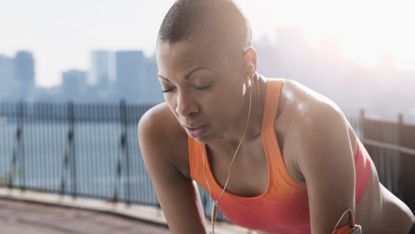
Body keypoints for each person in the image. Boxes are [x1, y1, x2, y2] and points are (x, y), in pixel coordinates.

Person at [138, 0, 415, 233]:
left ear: (248, 65)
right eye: (168, 87)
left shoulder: (312, 124)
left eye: (202, 83)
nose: (183, 107)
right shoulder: (161, 135)